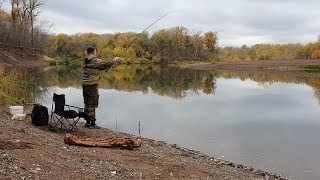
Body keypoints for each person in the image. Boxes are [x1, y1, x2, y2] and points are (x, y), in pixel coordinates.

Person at [82, 47, 120, 128]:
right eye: (95, 51)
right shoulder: (96, 60)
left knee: (87, 104)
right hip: (92, 85)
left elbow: (98, 67)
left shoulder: (85, 60)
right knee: (92, 104)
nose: (96, 53)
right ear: (93, 52)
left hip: (85, 85)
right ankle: (92, 124)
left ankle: (87, 123)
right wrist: (115, 60)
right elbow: (105, 64)